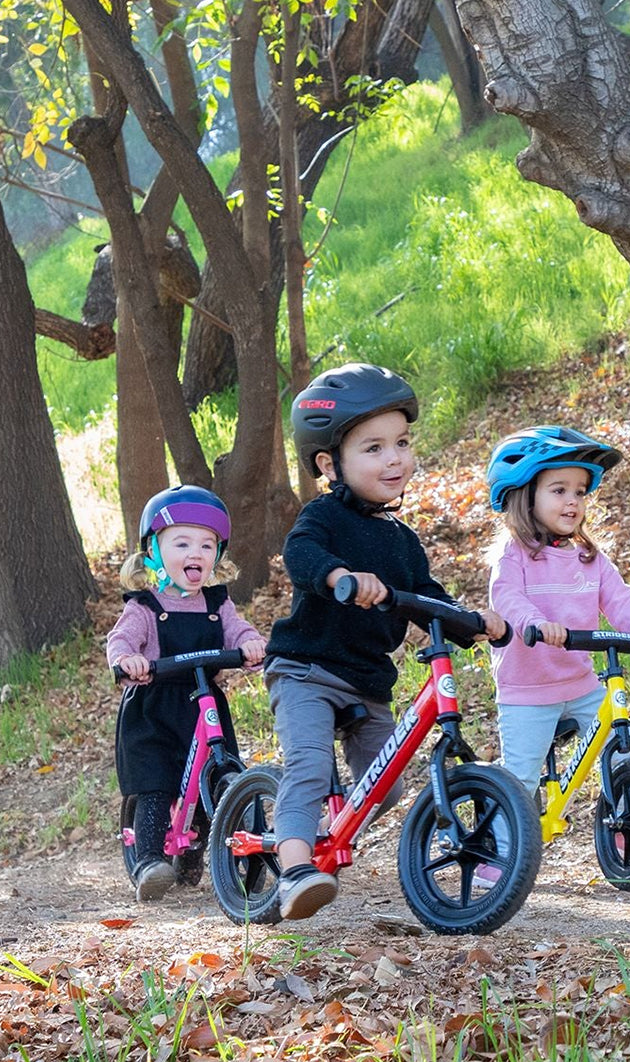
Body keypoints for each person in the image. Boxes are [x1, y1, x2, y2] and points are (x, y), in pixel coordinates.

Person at [265, 362, 506, 921]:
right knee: (305, 765)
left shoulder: (403, 541)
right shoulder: (322, 516)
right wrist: (338, 577)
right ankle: (296, 867)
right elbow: (300, 556)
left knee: (387, 785)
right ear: (330, 464)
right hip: (306, 670)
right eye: (373, 448)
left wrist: (473, 620)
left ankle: (329, 831)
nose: (394, 458)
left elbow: (427, 595)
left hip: (368, 681)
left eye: (401, 443)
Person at [483, 426, 630, 883]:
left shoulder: (590, 557)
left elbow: (621, 599)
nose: (573, 501)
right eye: (559, 490)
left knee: (618, 750)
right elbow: (506, 598)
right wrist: (534, 623)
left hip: (581, 681)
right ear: (523, 495)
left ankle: (625, 833)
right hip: (528, 689)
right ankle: (499, 853)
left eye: (581, 491)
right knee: (522, 775)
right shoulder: (513, 555)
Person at [107, 485, 267, 902]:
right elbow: (121, 640)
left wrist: (250, 643)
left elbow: (238, 630)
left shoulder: (217, 602)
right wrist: (128, 660)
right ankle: (147, 861)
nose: (195, 552)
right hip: (155, 705)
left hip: (204, 701)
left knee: (215, 772)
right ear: (153, 552)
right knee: (158, 781)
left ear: (218, 554)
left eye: (206, 544)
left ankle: (207, 848)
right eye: (181, 542)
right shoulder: (144, 605)